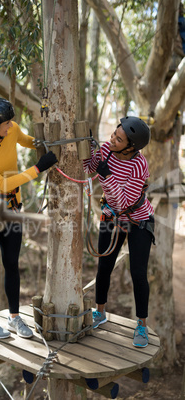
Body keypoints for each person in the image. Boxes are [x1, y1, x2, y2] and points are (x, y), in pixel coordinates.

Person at [0, 96, 57, 340]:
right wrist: (38, 168)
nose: (11, 126)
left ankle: (14, 318)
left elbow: (28, 141)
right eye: (6, 124)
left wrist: (47, 140)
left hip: (12, 207)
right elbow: (2, 184)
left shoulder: (11, 130)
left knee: (12, 263)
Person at [83, 116, 155, 348]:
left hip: (137, 218)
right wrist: (89, 150)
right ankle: (100, 312)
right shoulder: (106, 149)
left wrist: (108, 175)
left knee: (138, 273)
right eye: (114, 134)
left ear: (131, 146)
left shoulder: (139, 165)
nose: (112, 139)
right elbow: (88, 168)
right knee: (104, 264)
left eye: (118, 139)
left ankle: (141, 325)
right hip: (110, 213)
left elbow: (125, 202)